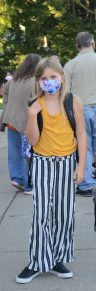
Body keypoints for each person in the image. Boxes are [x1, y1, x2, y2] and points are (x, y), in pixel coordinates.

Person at [16, 57, 87, 284]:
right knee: (42, 214)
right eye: (44, 78)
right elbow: (34, 141)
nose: (49, 82)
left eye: (53, 77)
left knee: (64, 214)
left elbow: (82, 135)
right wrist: (31, 115)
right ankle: (37, 261)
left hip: (67, 163)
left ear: (61, 78)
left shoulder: (72, 101)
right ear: (38, 81)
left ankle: (56, 258)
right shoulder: (35, 105)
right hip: (43, 163)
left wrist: (82, 165)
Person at [64, 31, 96, 197]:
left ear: (77, 46)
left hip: (81, 108)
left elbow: (66, 93)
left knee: (83, 146)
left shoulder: (71, 65)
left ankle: (85, 184)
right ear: (93, 44)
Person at [0, 54, 41, 193]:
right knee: (27, 154)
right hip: (25, 124)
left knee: (15, 154)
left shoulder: (15, 80)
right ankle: (28, 184)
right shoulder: (34, 82)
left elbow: (4, 91)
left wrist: (7, 103)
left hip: (11, 121)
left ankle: (17, 179)